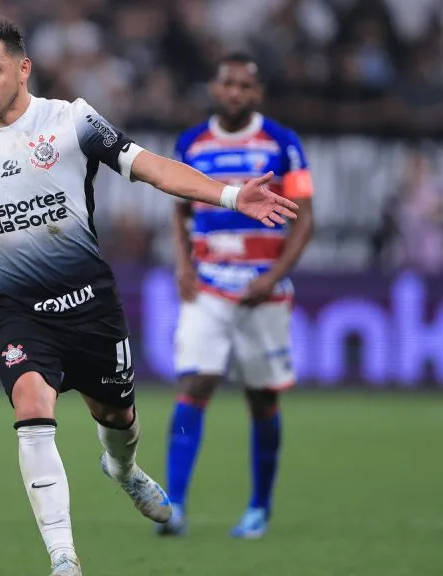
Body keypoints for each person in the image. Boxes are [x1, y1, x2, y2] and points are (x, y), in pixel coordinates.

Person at [0, 21, 298, 576]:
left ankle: (123, 470)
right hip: (17, 309)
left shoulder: (71, 120)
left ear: (23, 68)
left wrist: (232, 195)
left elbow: (152, 168)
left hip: (90, 303)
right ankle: (64, 559)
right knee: (31, 405)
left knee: (117, 417)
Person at [160, 53, 315, 539]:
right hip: (208, 286)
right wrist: (183, 265)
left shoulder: (283, 144)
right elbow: (181, 214)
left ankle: (258, 509)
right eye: (228, 84)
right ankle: (174, 507)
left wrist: (272, 278)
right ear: (214, 87)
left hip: (261, 292)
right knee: (194, 384)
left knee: (262, 400)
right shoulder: (191, 142)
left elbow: (305, 219)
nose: (235, 93)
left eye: (245, 86)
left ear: (258, 93)